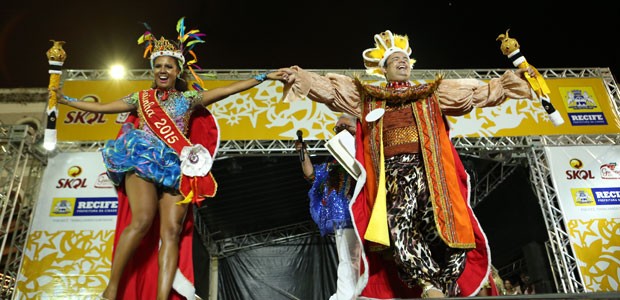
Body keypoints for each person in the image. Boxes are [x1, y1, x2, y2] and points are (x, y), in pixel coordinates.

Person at [279, 30, 537, 298]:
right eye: (395, 60)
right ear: (385, 69)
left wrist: (511, 82)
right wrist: (301, 77)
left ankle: (446, 280)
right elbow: (332, 90)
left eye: (405, 59)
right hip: (393, 174)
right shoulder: (369, 97)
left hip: (431, 172)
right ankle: (427, 285)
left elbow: (475, 94)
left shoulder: (430, 94)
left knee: (443, 228)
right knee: (399, 223)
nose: (402, 62)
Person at [54, 18, 283, 300]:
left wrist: (264, 76)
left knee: (172, 231)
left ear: (178, 70)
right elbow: (102, 108)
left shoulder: (189, 99)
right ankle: (111, 290)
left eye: (169, 66)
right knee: (142, 220)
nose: (163, 70)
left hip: (175, 167)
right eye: (159, 65)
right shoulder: (140, 98)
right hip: (141, 159)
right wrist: (66, 100)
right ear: (154, 70)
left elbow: (227, 90)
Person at [295, 113, 360, 300]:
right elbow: (311, 175)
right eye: (338, 128)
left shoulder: (365, 155)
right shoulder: (333, 164)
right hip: (344, 217)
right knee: (348, 259)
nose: (340, 131)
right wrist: (303, 153)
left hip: (367, 213)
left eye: (346, 127)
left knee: (364, 259)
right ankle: (346, 295)